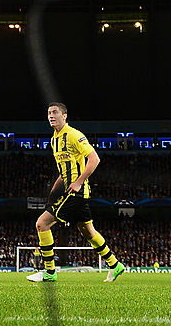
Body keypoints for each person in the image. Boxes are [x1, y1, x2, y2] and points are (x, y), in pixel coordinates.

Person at [26, 103, 125, 283]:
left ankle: (49, 272)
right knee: (88, 231)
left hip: (77, 192)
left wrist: (79, 182)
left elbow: (94, 158)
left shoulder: (74, 135)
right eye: (49, 113)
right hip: (69, 192)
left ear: (64, 116)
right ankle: (115, 264)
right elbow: (64, 172)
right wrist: (53, 194)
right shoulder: (54, 139)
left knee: (42, 224)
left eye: (55, 112)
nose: (51, 116)